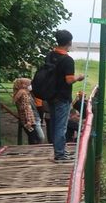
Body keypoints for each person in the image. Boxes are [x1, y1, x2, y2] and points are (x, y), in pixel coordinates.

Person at [47, 30, 84, 161]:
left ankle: (60, 150)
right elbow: (68, 80)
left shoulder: (50, 55)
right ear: (69, 42)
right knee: (61, 126)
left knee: (55, 124)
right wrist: (79, 77)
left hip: (50, 95)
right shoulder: (67, 60)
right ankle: (60, 154)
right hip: (62, 97)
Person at [12, 78, 45, 144]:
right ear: (23, 85)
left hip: (27, 119)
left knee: (33, 138)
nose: (30, 85)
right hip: (30, 120)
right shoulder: (23, 94)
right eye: (29, 84)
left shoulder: (22, 93)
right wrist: (29, 120)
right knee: (38, 138)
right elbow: (26, 108)